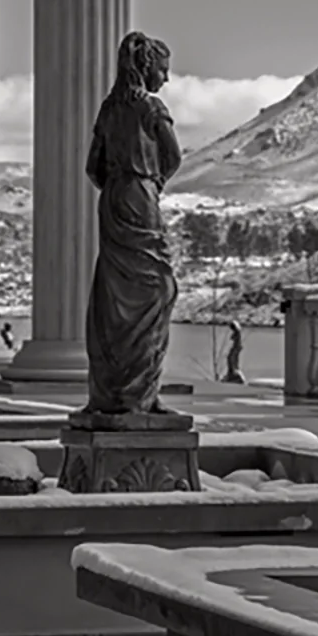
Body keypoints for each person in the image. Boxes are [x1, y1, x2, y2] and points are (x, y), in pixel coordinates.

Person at [82, 32, 182, 415]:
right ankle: (141, 396)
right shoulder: (151, 109)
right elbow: (172, 156)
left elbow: (93, 166)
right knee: (158, 289)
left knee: (114, 297)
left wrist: (116, 185)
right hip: (140, 198)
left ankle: (114, 393)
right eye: (163, 69)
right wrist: (151, 182)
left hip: (113, 200)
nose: (166, 79)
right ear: (146, 67)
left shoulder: (110, 109)